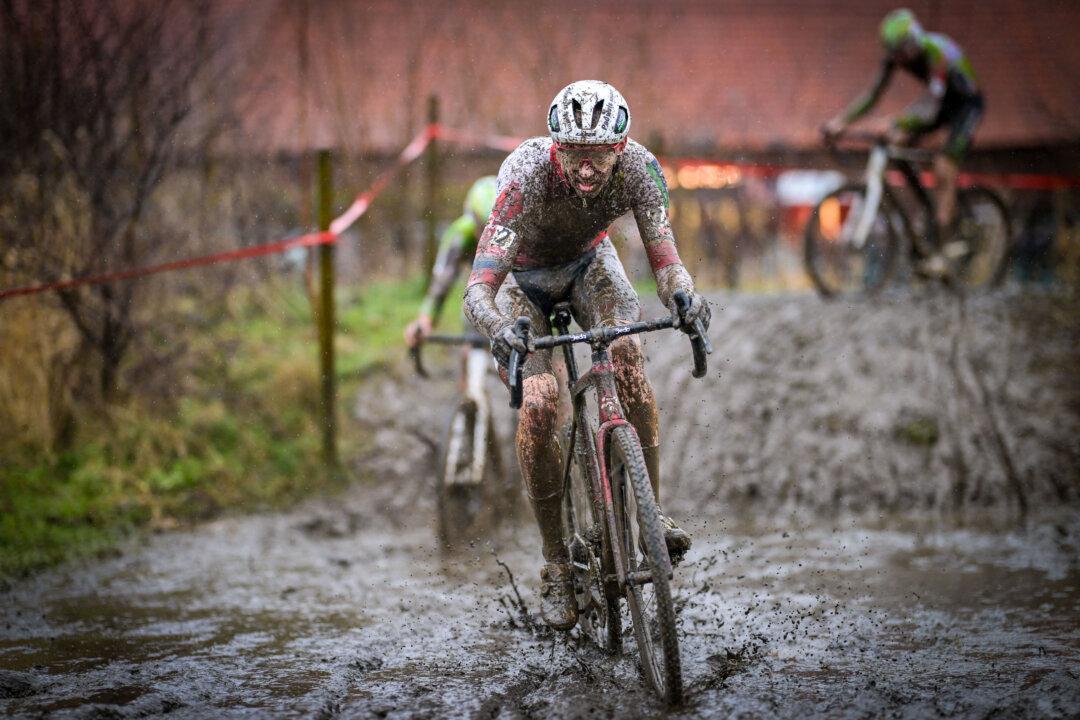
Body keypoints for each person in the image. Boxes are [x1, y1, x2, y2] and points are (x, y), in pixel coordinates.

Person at [463, 80, 710, 630]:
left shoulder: (640, 170)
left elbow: (666, 260)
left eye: (598, 157)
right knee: (543, 402)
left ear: (619, 149)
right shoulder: (525, 177)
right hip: (519, 283)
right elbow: (477, 290)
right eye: (575, 156)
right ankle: (555, 564)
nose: (588, 171)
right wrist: (503, 328)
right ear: (556, 148)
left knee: (625, 352)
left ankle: (652, 516)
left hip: (588, 264)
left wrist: (685, 297)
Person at [824, 7, 984, 269]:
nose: (901, 58)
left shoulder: (936, 51)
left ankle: (945, 241)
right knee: (894, 142)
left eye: (904, 50)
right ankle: (923, 205)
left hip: (966, 105)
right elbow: (872, 96)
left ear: (915, 41)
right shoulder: (894, 58)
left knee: (944, 167)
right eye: (895, 52)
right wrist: (841, 122)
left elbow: (931, 103)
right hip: (941, 104)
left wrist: (896, 121)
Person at [404, 176, 497, 354]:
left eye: (493, 229)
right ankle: (470, 366)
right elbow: (442, 280)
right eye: (481, 227)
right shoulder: (461, 233)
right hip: (481, 289)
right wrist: (426, 320)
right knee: (471, 313)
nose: (487, 236)